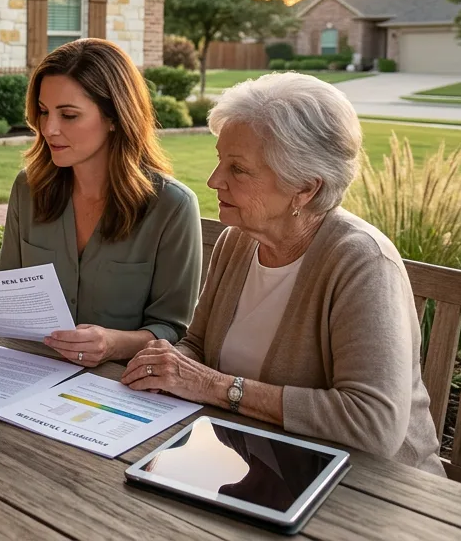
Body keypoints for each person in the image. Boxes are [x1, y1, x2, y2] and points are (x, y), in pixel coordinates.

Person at [121, 72, 443, 474]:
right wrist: (167, 363)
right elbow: (199, 346)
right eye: (221, 160)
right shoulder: (238, 240)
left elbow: (372, 424)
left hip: (373, 489)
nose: (214, 180)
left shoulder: (362, 263)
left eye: (238, 169)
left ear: (305, 188)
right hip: (259, 465)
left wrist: (215, 387)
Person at [0, 38, 203, 367]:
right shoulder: (28, 188)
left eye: (69, 115)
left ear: (114, 117)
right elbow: (4, 284)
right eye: (44, 112)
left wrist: (114, 343)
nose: (48, 129)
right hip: (24, 372)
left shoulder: (172, 207)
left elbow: (174, 328)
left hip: (117, 387)